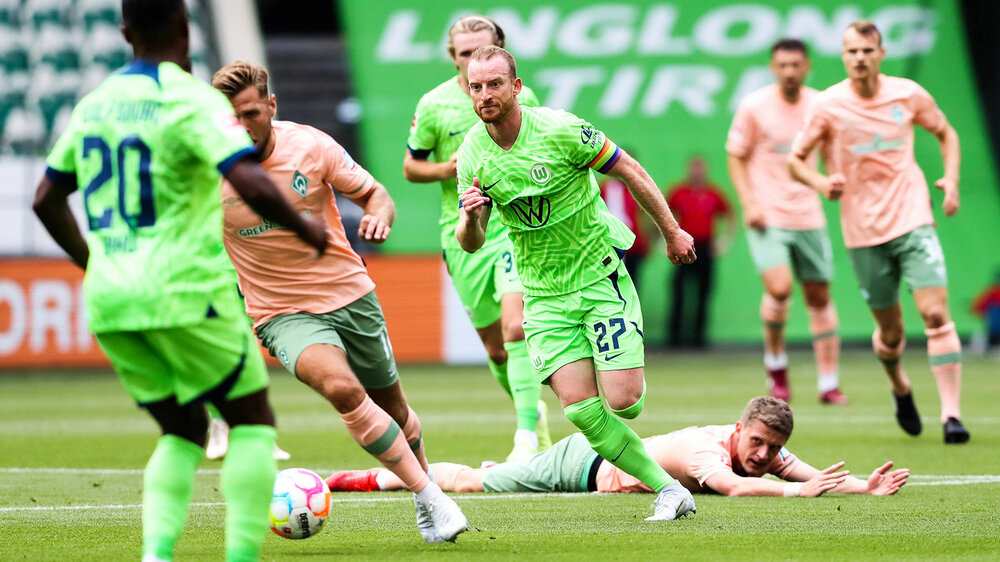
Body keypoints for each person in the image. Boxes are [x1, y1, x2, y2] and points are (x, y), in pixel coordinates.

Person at [31, 1, 329, 560]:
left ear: (124, 31)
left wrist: (94, 265)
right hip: (185, 291)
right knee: (252, 421)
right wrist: (307, 230)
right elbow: (251, 181)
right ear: (183, 26)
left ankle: (156, 554)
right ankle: (240, 556)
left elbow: (46, 199)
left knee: (183, 430)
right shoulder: (188, 99)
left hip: (112, 298)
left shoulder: (95, 105)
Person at [211, 61, 469, 542]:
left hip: (350, 295)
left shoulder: (310, 146)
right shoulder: (206, 171)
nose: (241, 127)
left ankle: (422, 492)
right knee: (342, 389)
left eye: (250, 113)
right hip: (281, 313)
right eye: (231, 118)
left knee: (393, 407)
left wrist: (378, 215)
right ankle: (433, 496)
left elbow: (376, 194)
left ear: (271, 106)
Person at [455, 45, 698, 521]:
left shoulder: (561, 129)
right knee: (582, 411)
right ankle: (668, 490)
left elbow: (627, 168)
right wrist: (471, 218)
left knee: (625, 404)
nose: (485, 94)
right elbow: (471, 242)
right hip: (543, 296)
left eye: (494, 84)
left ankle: (621, 364)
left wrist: (671, 231)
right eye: (476, 86)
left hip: (597, 278)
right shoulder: (472, 154)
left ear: (516, 87)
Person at [790, 20, 969, 443]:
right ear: (843, 56)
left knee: (935, 314)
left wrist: (952, 179)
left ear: (881, 54)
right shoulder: (828, 105)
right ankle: (900, 387)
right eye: (851, 51)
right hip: (863, 230)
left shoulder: (907, 94)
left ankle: (951, 416)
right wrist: (821, 183)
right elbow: (796, 160)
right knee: (891, 334)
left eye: (867, 51)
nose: (859, 58)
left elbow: (946, 133)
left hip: (913, 217)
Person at [402, 15, 550, 461]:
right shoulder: (433, 105)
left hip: (512, 226)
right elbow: (411, 166)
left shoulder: (525, 100)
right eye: (464, 55)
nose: (472, 64)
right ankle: (534, 416)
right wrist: (450, 168)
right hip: (463, 231)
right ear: (454, 57)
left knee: (516, 326)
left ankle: (523, 435)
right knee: (495, 348)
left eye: (480, 52)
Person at [327, 396, 908, 498]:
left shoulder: (761, 450)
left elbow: (803, 471)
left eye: (771, 448)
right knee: (468, 484)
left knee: (492, 475)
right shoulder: (708, 452)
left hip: (595, 461)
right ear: (739, 429)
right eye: (757, 442)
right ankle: (347, 479)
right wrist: (796, 494)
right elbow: (735, 486)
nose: (763, 455)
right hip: (581, 464)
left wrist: (864, 485)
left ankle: (507, 466)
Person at [726, 38, 847, 405]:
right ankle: (776, 367)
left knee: (819, 296)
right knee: (779, 289)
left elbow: (831, 154)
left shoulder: (820, 104)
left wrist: (835, 182)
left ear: (807, 66)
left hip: (808, 214)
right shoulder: (754, 106)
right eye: (783, 65)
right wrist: (749, 202)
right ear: (772, 67)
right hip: (768, 215)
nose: (790, 71)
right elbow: (735, 156)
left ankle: (828, 383)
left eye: (796, 64)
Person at [665, 156, 736, 348]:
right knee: (678, 291)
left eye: (700, 169)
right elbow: (664, 216)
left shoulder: (713, 194)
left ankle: (699, 339)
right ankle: (675, 339)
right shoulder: (679, 193)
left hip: (705, 249)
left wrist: (723, 243)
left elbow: (730, 217)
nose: (697, 173)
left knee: (703, 293)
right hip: (684, 247)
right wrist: (665, 241)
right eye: (694, 169)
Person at [599, 154, 652, 294]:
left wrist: (647, 241)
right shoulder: (606, 188)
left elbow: (645, 216)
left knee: (633, 286)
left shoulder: (638, 188)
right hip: (610, 246)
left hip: (634, 246)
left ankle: (632, 315)